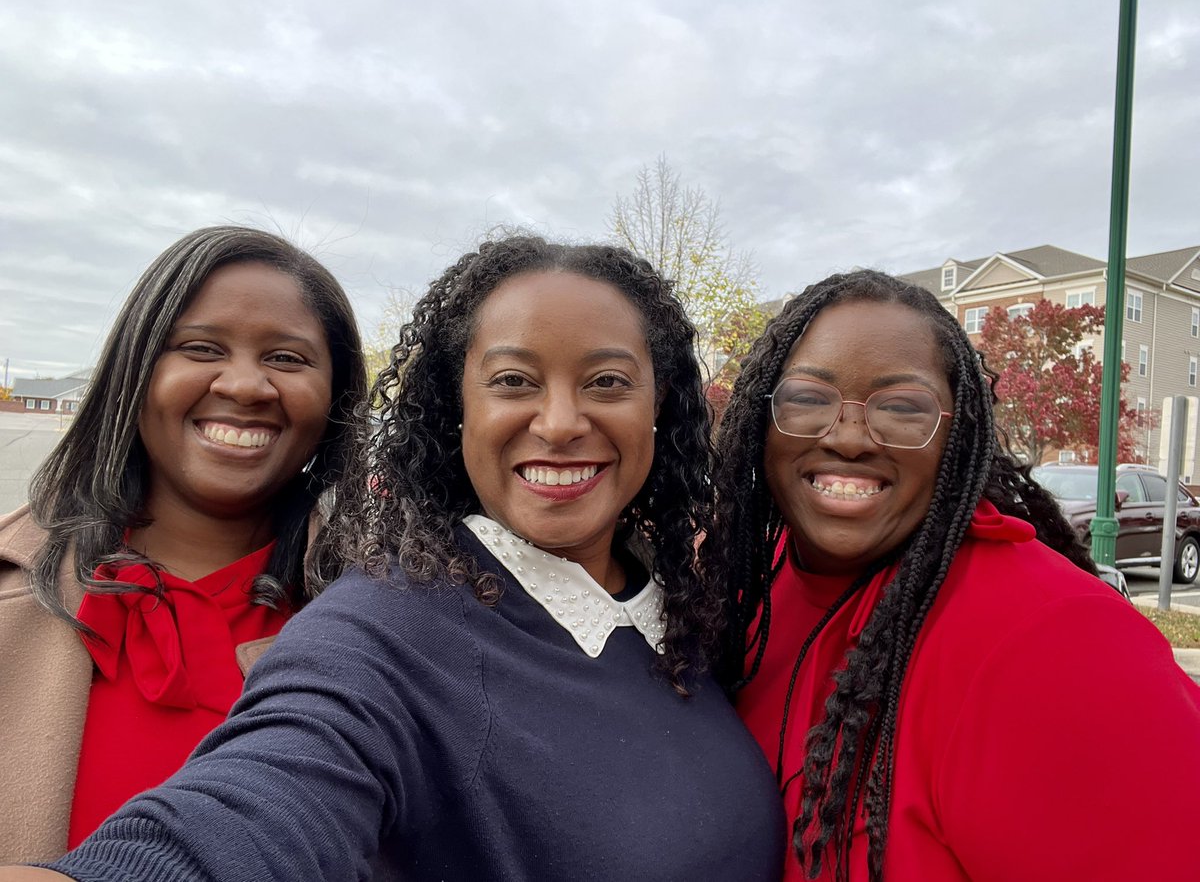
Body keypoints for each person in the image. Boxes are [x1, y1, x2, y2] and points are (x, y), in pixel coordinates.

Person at [5, 237, 786, 881]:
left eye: (607, 381)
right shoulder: (386, 627)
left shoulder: (692, 606)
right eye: (513, 380)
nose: (558, 422)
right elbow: (252, 807)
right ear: (456, 411)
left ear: (664, 406)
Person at [704, 269, 1200, 882]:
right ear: (761, 423)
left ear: (957, 434)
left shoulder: (1056, 637)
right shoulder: (748, 592)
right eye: (807, 398)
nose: (851, 436)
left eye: (902, 407)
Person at [0, 226, 367, 863]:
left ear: (336, 398)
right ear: (134, 372)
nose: (246, 385)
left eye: (287, 358)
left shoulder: (393, 612)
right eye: (200, 348)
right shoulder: (11, 583)